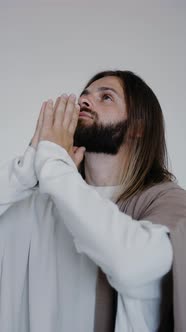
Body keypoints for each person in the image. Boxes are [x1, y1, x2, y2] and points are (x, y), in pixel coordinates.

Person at [0, 70, 185, 332]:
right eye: (84, 96)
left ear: (138, 128)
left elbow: (135, 264)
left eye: (106, 97)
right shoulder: (46, 200)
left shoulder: (167, 201)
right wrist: (29, 166)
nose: (84, 101)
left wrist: (54, 166)